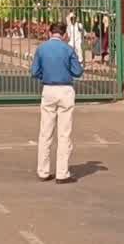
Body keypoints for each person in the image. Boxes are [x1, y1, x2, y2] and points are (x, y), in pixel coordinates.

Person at [31, 21, 84, 183]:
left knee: (45, 132)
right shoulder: (68, 49)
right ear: (64, 34)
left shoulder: (41, 48)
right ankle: (62, 172)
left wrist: (45, 76)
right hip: (65, 89)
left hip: (48, 88)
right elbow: (77, 71)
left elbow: (34, 72)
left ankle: (43, 170)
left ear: (49, 32)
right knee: (64, 133)